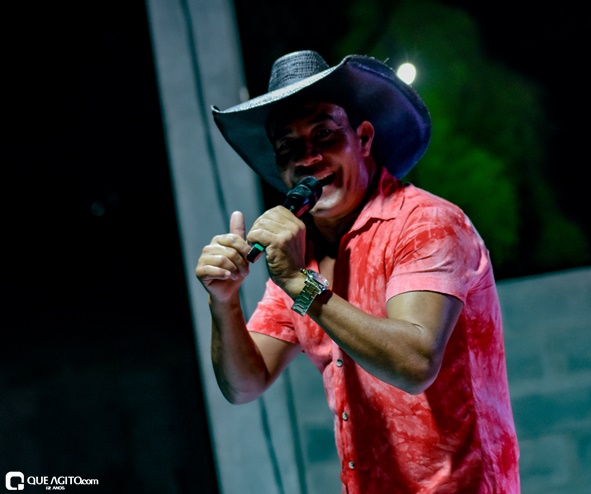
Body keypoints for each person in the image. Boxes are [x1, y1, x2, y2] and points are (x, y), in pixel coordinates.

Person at [196, 49, 520, 493]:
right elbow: (243, 386)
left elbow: (414, 364)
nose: (308, 157)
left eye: (324, 134)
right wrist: (224, 302)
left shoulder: (425, 223)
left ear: (363, 139)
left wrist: (299, 283)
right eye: (289, 147)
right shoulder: (303, 255)